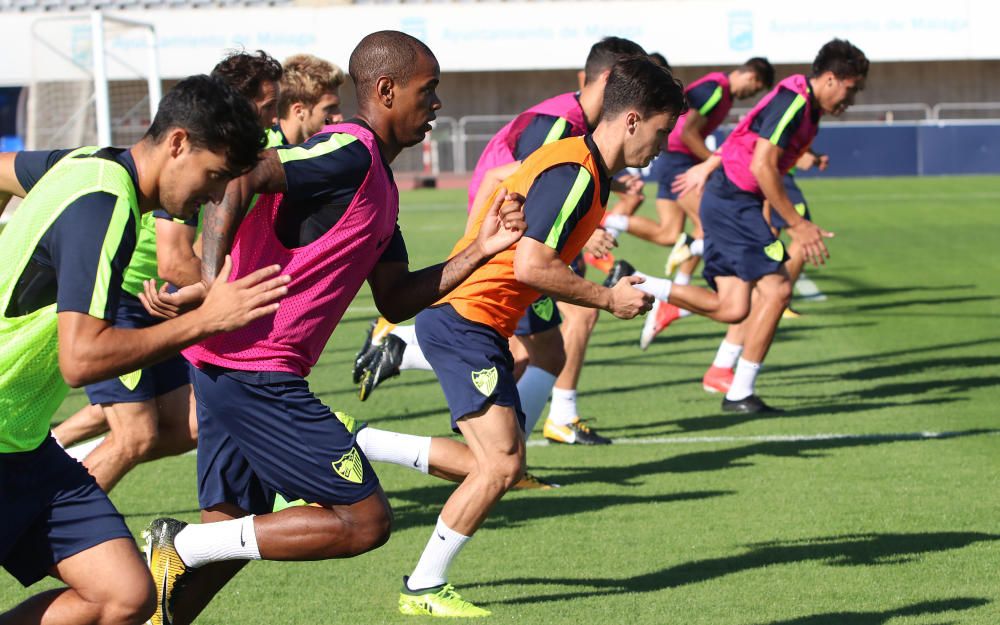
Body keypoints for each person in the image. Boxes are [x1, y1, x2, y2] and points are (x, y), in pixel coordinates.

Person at [141, 31, 527, 625]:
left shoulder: (379, 185)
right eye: (430, 91)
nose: (437, 105)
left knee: (230, 535)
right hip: (255, 372)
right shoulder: (349, 152)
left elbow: (396, 299)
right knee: (363, 519)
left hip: (228, 368)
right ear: (386, 90)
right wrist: (214, 279)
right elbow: (244, 173)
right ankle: (180, 542)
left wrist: (480, 250)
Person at [394, 56, 685, 617]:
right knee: (503, 464)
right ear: (631, 120)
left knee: (498, 461)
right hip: (464, 320)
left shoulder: (584, 168)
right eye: (662, 131)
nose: (664, 145)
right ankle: (424, 587)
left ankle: (359, 443)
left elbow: (508, 184)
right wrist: (608, 297)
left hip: (474, 320)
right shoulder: (576, 169)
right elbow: (532, 266)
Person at [0, 75, 286, 625]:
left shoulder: (82, 162)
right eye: (215, 177)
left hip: (27, 443)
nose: (213, 197)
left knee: (125, 595)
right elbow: (81, 359)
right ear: (178, 143)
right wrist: (207, 321)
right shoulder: (104, 203)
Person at [357, 37, 648, 446]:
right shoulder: (560, 126)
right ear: (610, 81)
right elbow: (518, 185)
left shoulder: (575, 124)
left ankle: (523, 443)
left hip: (507, 247)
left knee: (543, 352)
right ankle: (402, 352)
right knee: (544, 343)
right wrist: (480, 245)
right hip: (507, 253)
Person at [50, 50, 285, 492]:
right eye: (268, 107)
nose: (273, 121)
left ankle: (50, 464)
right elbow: (174, 261)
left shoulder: (224, 159)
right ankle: (47, 510)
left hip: (155, 306)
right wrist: (221, 301)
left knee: (188, 425)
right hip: (121, 300)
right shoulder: (172, 174)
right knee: (136, 434)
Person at [607, 39, 869, 413]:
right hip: (732, 201)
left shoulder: (803, 105)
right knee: (776, 290)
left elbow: (749, 140)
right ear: (830, 78)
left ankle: (640, 279)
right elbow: (761, 165)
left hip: (733, 200)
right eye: (851, 88)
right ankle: (740, 391)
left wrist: (718, 171)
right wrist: (796, 224)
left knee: (733, 307)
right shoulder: (791, 100)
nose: (852, 98)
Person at [601, 58, 775, 349]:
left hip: (674, 160)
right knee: (712, 224)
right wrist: (714, 163)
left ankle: (609, 221)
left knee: (669, 233)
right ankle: (676, 284)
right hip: (680, 161)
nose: (752, 92)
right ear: (748, 74)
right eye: (755, 85)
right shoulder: (716, 89)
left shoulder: (722, 93)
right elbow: (687, 132)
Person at [272, 53, 346, 145]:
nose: (339, 118)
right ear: (299, 111)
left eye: (336, 107)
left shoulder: (317, 150)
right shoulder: (262, 152)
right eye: (329, 108)